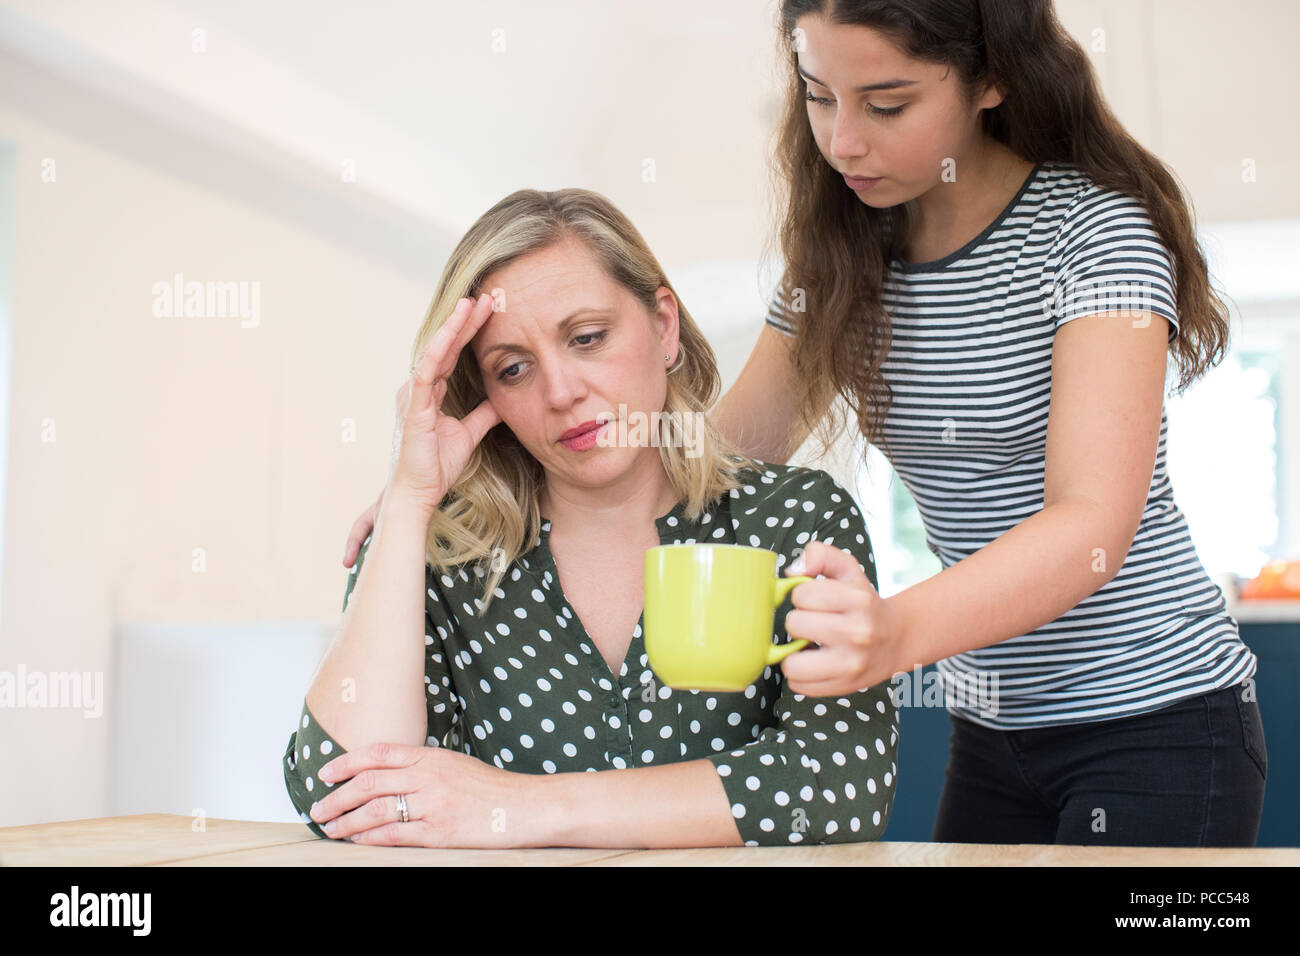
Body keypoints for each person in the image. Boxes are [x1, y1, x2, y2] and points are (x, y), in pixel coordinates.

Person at [340, 0, 1266, 848]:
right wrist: (450, 479)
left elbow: (1090, 526)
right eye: (821, 98)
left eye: (887, 104)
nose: (844, 141)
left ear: (994, 78)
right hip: (995, 727)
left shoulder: (1094, 237)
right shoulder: (844, 257)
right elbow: (720, 455)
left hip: (1161, 720)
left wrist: (892, 634)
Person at [284, 188, 899, 848]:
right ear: (483, 393)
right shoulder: (435, 549)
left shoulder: (793, 518)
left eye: (587, 338)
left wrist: (524, 807)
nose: (560, 392)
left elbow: (841, 785)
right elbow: (339, 792)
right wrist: (407, 503)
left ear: (664, 327)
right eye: (513, 368)